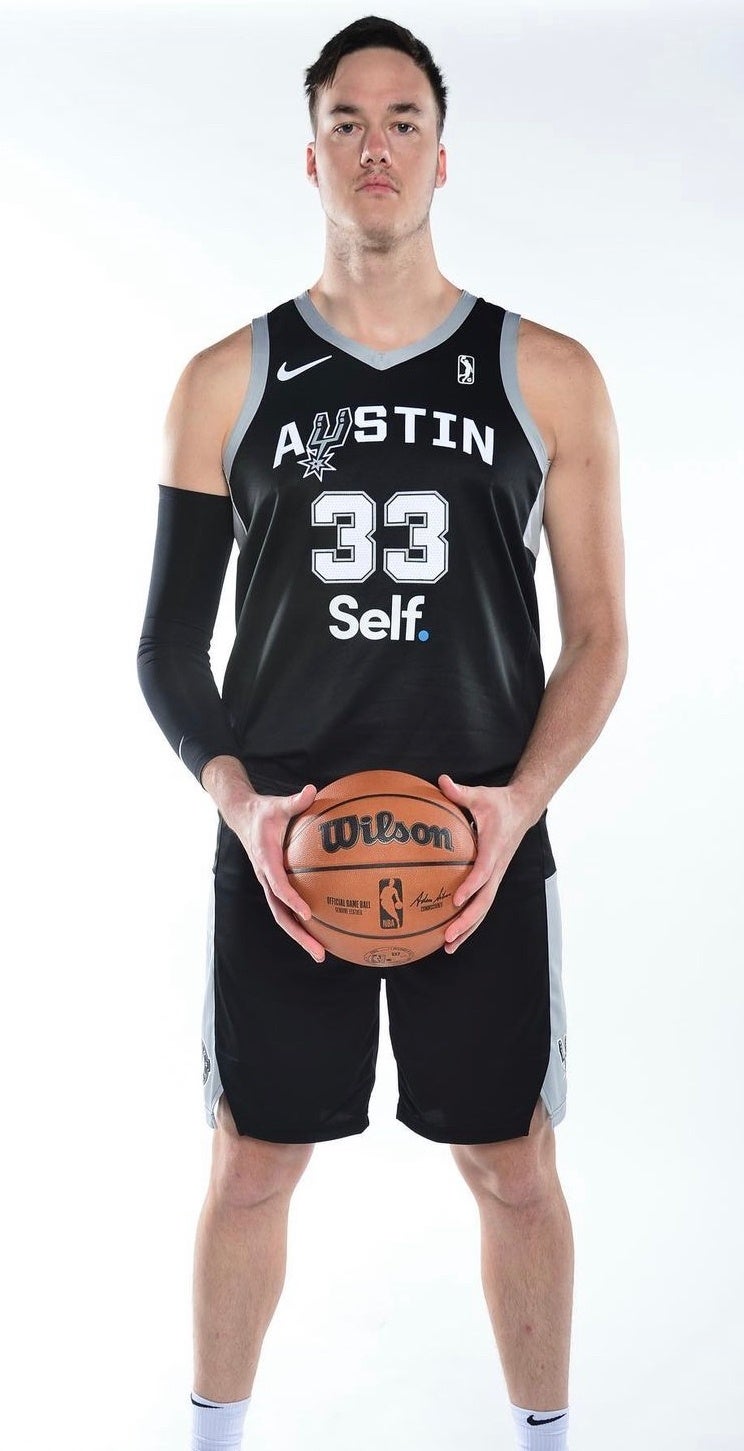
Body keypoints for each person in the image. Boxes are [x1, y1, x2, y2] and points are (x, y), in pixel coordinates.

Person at [137, 15, 627, 1451]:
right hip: (289, 848)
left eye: (402, 119)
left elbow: (600, 637)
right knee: (249, 1171)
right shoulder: (225, 381)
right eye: (345, 121)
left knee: (515, 1171)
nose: (375, 146)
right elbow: (166, 646)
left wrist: (517, 806)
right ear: (310, 156)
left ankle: (546, 1442)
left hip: (480, 840)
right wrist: (244, 810)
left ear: (441, 155)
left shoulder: (549, 375)